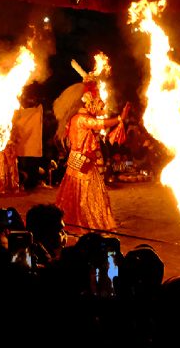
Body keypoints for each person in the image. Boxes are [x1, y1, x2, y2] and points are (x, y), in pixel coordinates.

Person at [54, 78, 129, 232]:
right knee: (89, 195)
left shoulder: (75, 118)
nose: (100, 106)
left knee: (74, 193)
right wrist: (120, 118)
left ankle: (75, 219)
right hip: (84, 163)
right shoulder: (82, 119)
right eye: (97, 102)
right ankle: (88, 221)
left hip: (75, 161)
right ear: (88, 103)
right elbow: (100, 124)